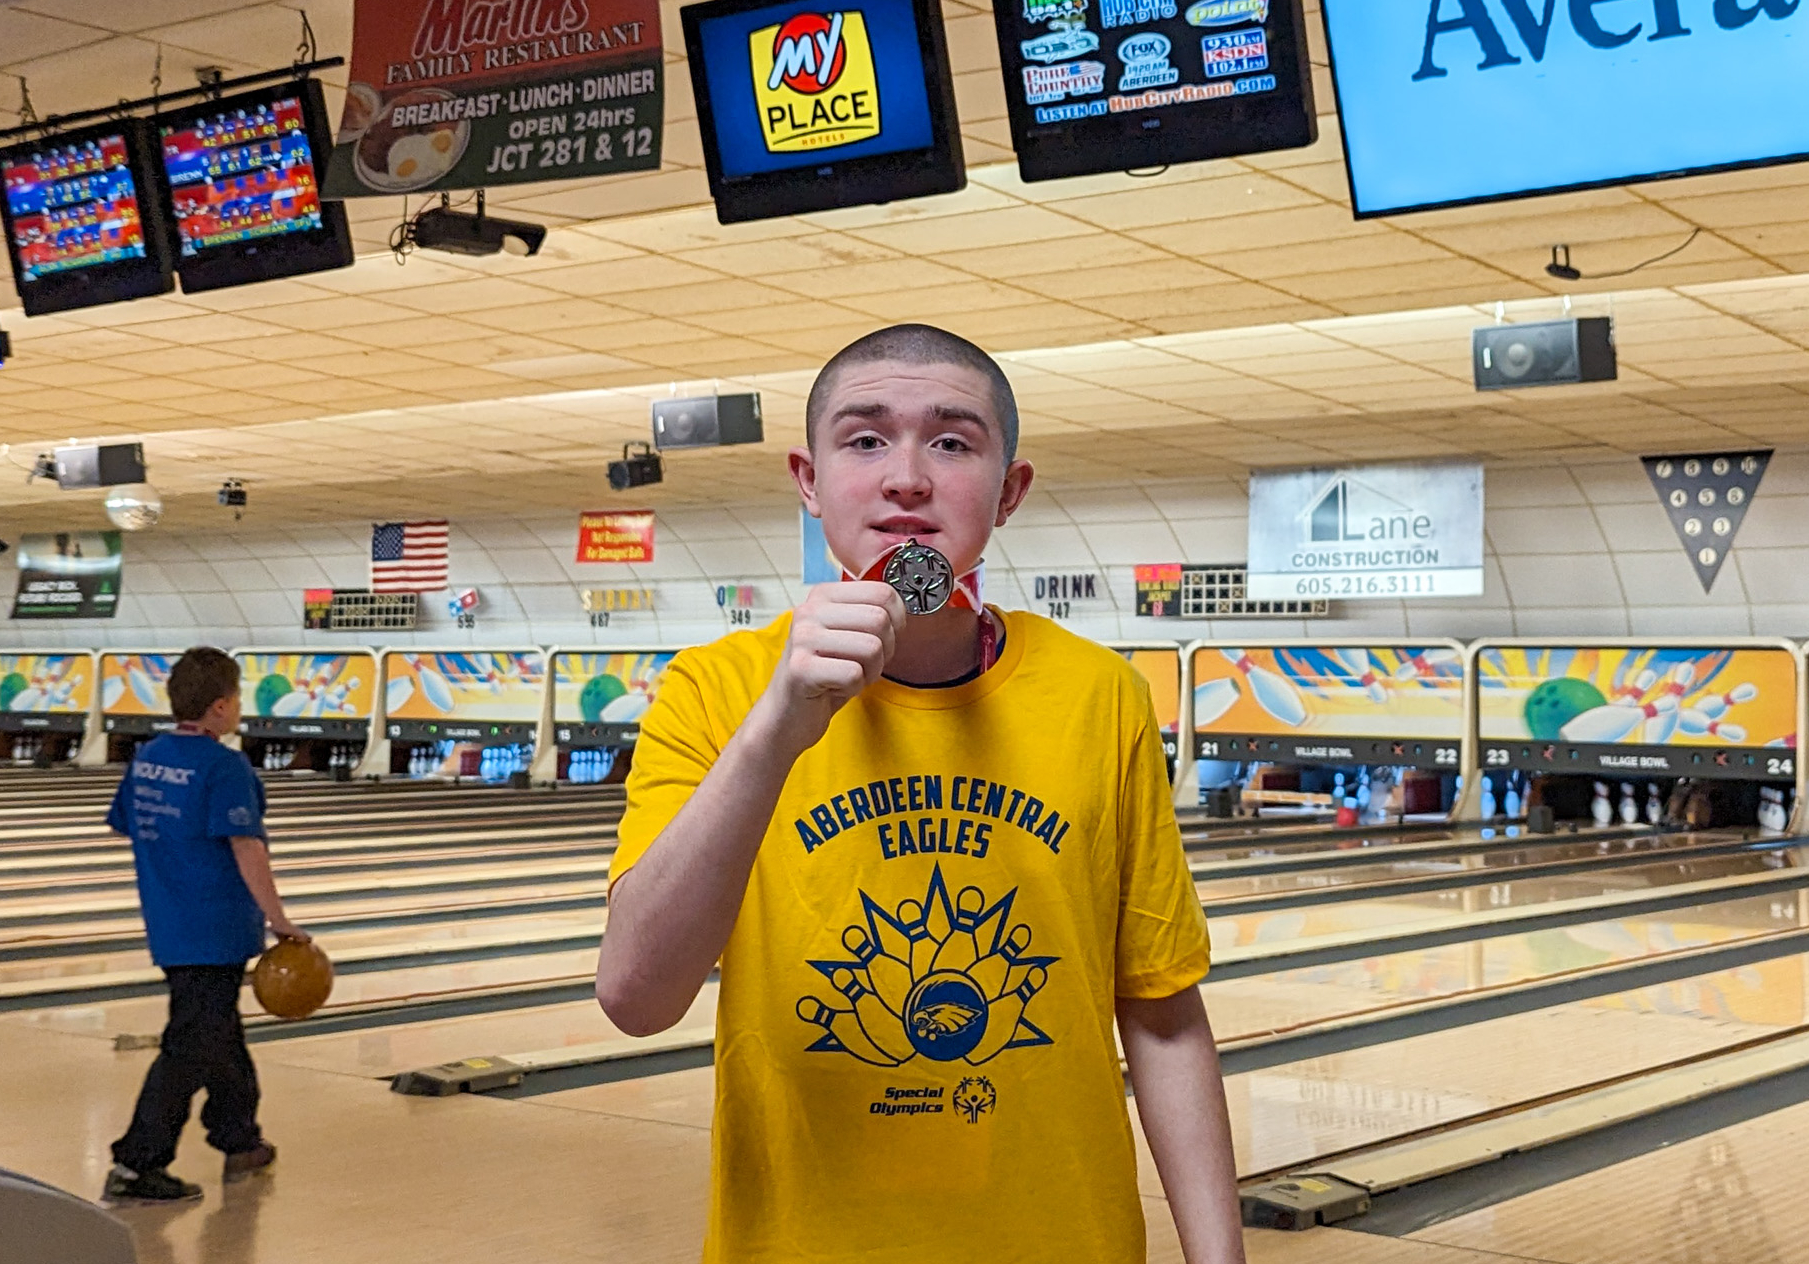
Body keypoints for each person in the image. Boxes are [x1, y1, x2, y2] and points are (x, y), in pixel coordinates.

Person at [595, 324, 1244, 1262]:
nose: (906, 476)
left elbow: (1164, 1013)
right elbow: (635, 996)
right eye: (864, 439)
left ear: (1008, 490)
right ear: (808, 479)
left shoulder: (1103, 693)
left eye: (952, 440)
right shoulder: (712, 690)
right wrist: (779, 720)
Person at [102, 647, 309, 1205]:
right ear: (220, 706)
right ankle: (137, 1163)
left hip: (170, 923)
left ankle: (240, 1139)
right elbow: (248, 847)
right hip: (214, 929)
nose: (240, 708)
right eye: (238, 699)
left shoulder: (147, 756)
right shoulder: (225, 767)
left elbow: (128, 823)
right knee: (190, 1044)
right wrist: (280, 920)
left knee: (215, 1031)